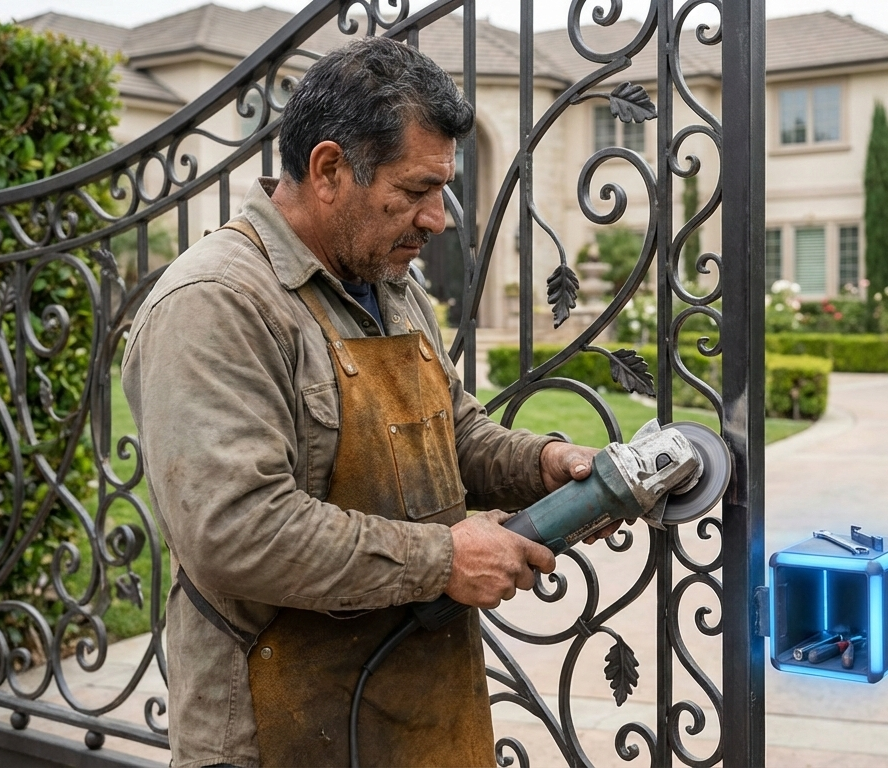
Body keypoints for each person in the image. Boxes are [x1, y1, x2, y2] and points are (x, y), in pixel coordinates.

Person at [121, 37, 609, 768]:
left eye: (441, 191)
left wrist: (545, 466)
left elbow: (451, 433)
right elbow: (236, 531)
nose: (437, 218)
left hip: (415, 718)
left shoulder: (389, 284)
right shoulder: (216, 303)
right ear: (328, 170)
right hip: (274, 737)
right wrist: (443, 558)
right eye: (414, 191)